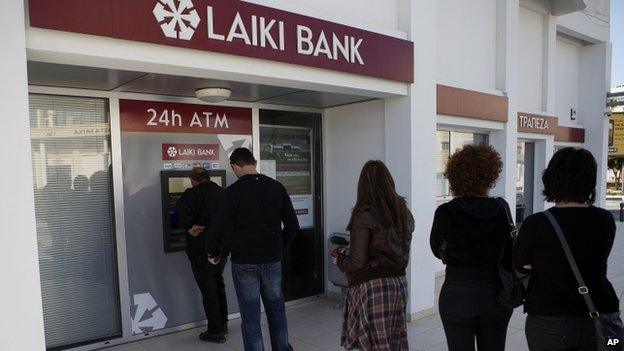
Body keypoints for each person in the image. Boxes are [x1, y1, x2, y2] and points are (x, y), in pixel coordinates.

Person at [513, 147, 621, 351]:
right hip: (602, 317)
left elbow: (520, 264)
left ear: (552, 178)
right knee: (612, 347)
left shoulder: (536, 223)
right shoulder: (605, 220)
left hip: (548, 321)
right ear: (590, 180)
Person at [206, 148, 299, 351]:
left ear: (234, 166)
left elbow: (219, 227)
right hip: (272, 261)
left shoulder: (232, 193)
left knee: (250, 317)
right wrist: (279, 249)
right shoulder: (276, 187)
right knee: (277, 311)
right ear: (254, 162)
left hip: (245, 263)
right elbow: (293, 226)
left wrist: (214, 253)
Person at [430, 144, 513, 351]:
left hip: (457, 293)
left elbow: (436, 249)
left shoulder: (446, 211)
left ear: (455, 176)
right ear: (491, 175)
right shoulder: (502, 207)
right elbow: (510, 248)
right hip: (496, 294)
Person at [334, 160, 414, 351]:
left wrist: (339, 259)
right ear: (389, 182)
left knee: (373, 344)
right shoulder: (404, 212)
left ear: (363, 185)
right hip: (399, 284)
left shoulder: (364, 214)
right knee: (394, 339)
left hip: (372, 287)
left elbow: (357, 262)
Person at [175, 167, 229, 343]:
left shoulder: (192, 194)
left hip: (201, 250)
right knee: (219, 284)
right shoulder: (223, 193)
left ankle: (215, 331)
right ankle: (223, 323)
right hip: (221, 249)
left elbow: (179, 214)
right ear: (208, 178)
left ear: (193, 180)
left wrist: (190, 227)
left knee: (209, 289)